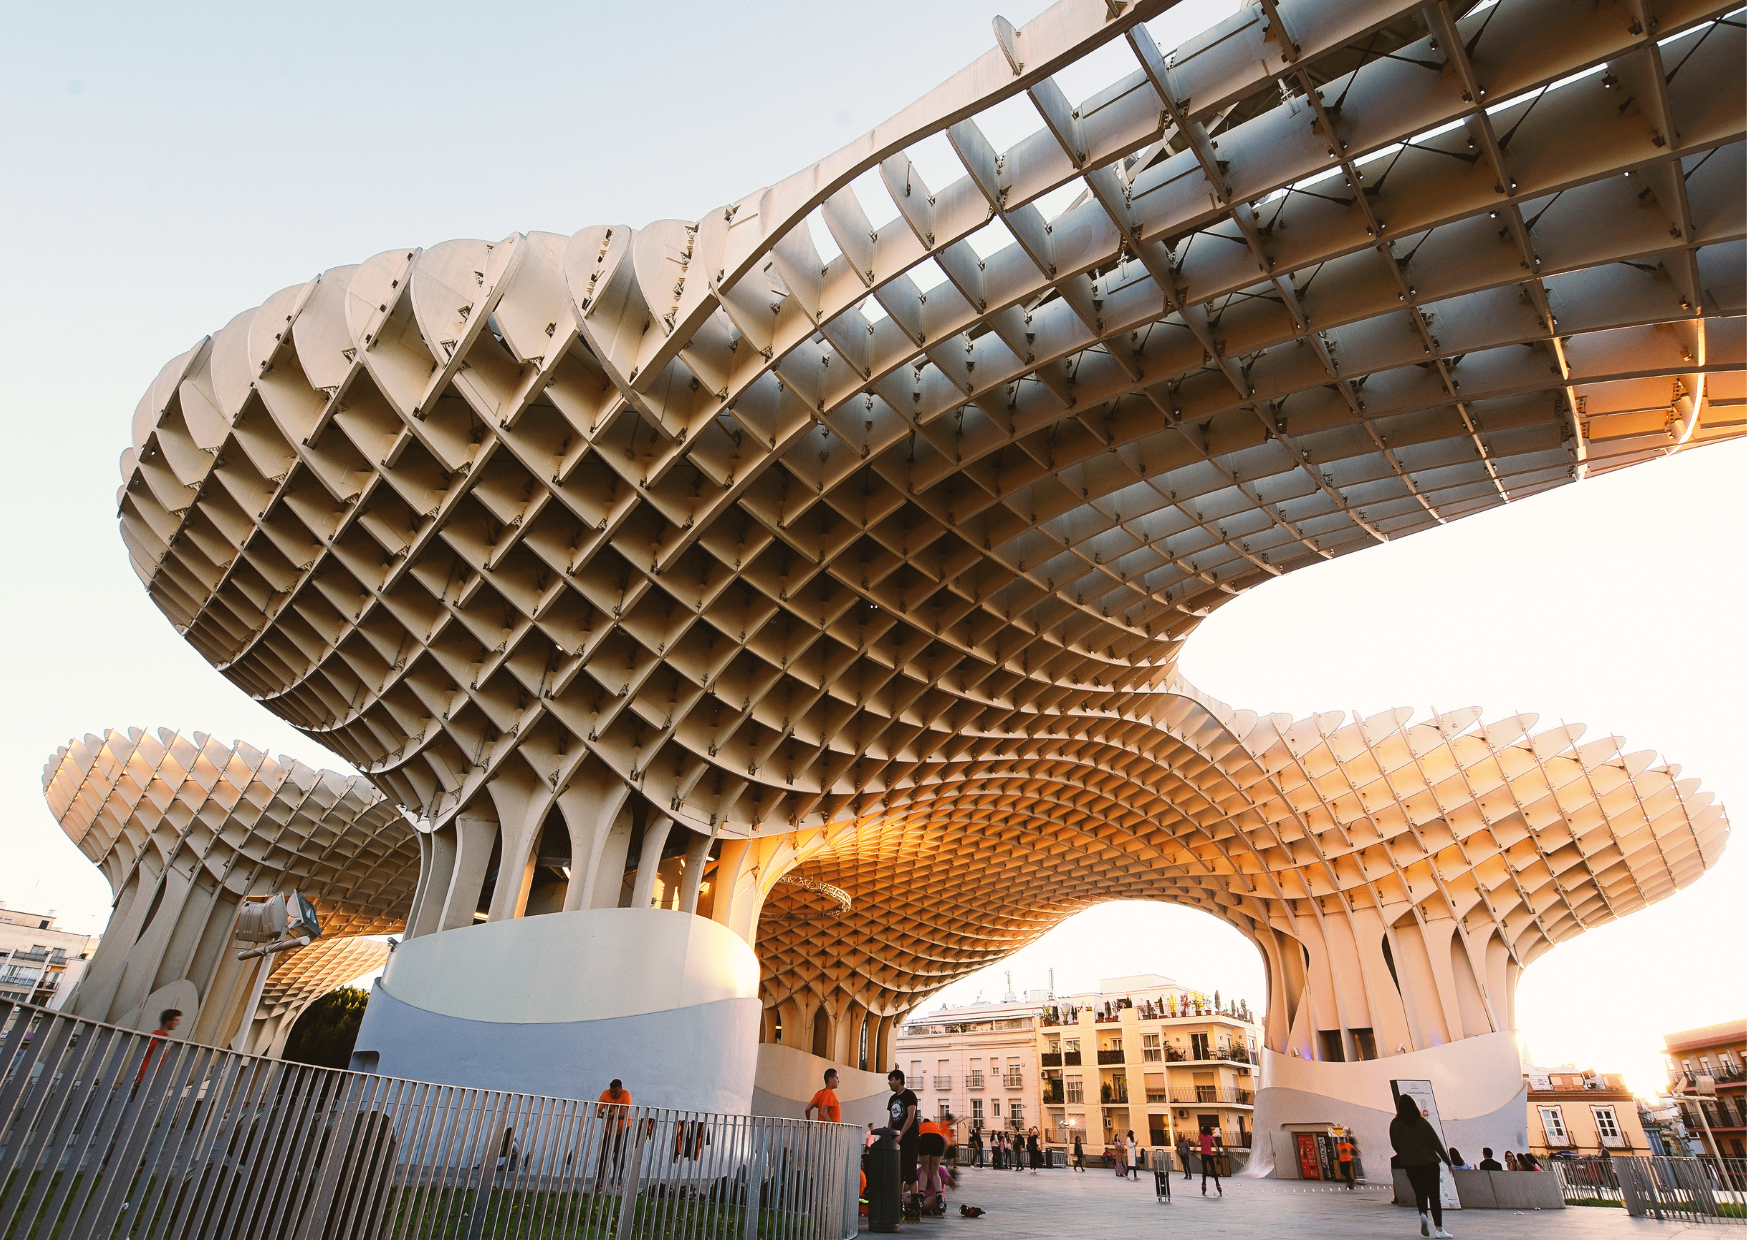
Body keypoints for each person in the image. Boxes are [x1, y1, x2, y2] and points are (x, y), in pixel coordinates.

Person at [1390, 1093, 1453, 1238]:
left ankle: (1423, 1215)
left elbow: (1395, 1144)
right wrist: (1448, 1161)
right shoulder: (1422, 1122)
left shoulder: (1395, 1124)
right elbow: (1435, 1142)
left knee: (1420, 1193)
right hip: (1429, 1163)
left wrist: (1405, 1154)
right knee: (1434, 1196)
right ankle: (1439, 1229)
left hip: (1411, 1165)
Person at [885, 1070, 920, 1211]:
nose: (889, 1082)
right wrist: (889, 1135)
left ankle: (915, 1201)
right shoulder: (892, 1099)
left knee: (910, 1169)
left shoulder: (909, 1096)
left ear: (899, 1080)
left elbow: (910, 1117)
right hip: (896, 1139)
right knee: (898, 1171)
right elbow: (891, 1120)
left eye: (891, 1079)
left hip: (910, 1139)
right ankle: (898, 1202)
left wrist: (901, 1135)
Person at [595, 1078, 635, 1186]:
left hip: (623, 1128)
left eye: (615, 1092)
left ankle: (617, 1179)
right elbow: (597, 1111)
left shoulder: (626, 1095)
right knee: (604, 1153)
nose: (612, 1094)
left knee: (619, 1154)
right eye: (611, 1091)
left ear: (620, 1089)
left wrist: (614, 1115)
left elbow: (626, 1114)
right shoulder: (605, 1094)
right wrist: (602, 1115)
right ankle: (600, 1179)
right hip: (608, 1128)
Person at [134, 1008, 181, 1085]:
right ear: (168, 1021)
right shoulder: (156, 1036)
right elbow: (141, 1055)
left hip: (153, 1079)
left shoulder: (164, 1036)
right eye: (176, 1020)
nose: (178, 1023)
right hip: (145, 1079)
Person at [917, 1116, 947, 1214]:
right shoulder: (937, 1126)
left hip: (925, 1138)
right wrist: (942, 1152)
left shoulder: (921, 1126)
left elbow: (916, 1139)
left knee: (925, 1170)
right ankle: (939, 1194)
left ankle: (921, 1194)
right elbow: (946, 1140)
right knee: (935, 1171)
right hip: (938, 1140)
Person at [1199, 1127, 1223, 1196]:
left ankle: (1204, 1185)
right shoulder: (1210, 1137)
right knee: (1213, 1169)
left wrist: (1194, 1149)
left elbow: (1197, 1143)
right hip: (1209, 1154)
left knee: (1204, 1170)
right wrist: (1218, 1151)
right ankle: (1218, 1185)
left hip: (1203, 1154)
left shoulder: (1201, 1136)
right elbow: (1215, 1145)